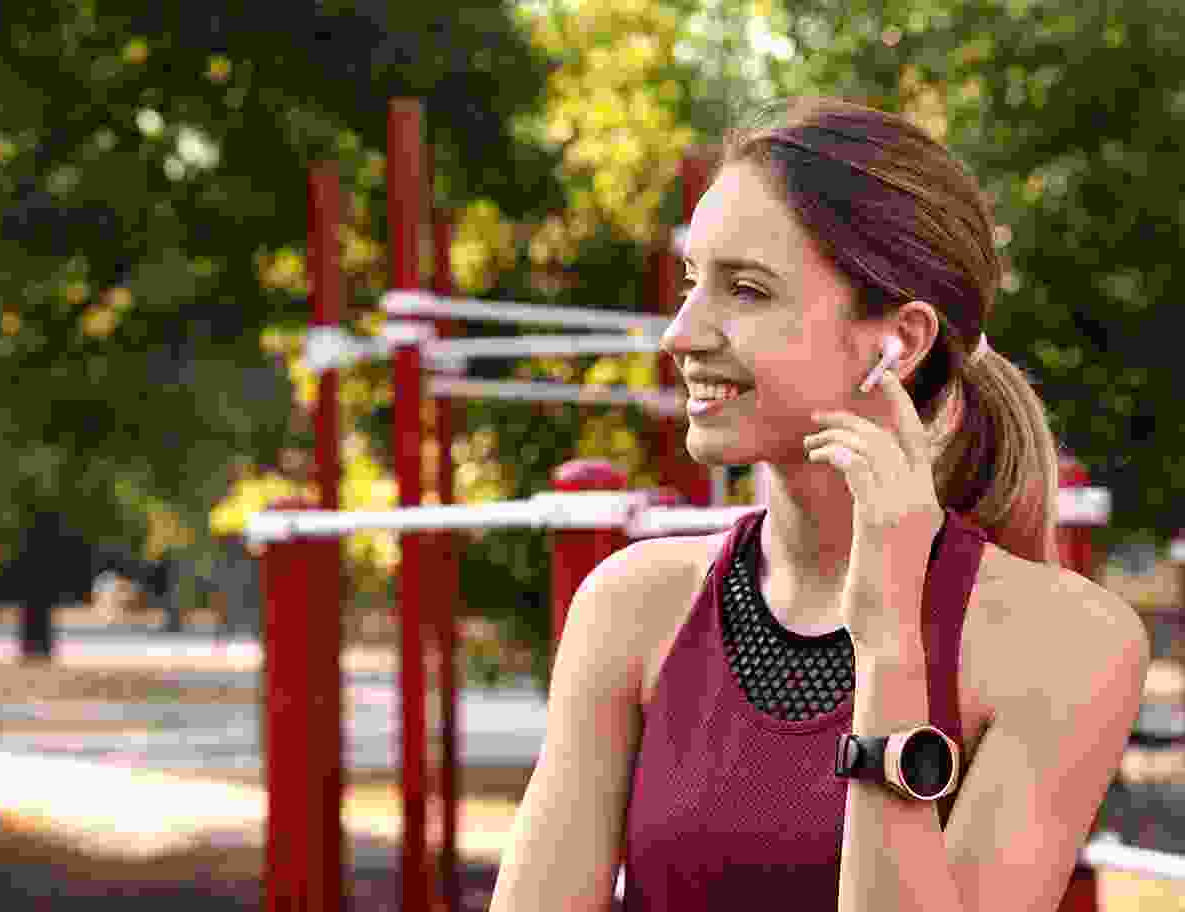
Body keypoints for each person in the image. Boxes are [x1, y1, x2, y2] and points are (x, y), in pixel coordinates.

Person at [487, 97, 1149, 911]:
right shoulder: (631, 607)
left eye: (745, 290)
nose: (681, 334)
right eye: (694, 283)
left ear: (899, 343)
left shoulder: (1067, 646)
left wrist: (888, 645)